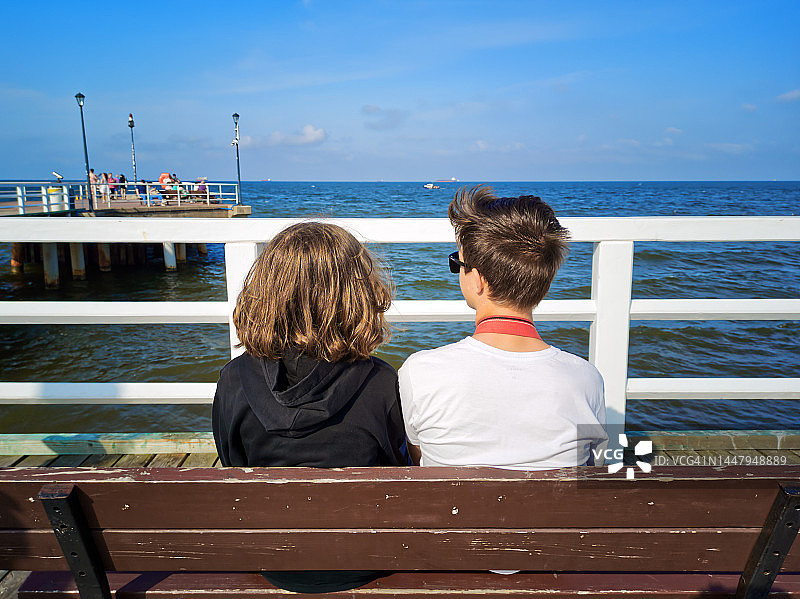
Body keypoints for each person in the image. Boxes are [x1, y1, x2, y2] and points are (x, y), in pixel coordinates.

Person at [213, 221, 409, 593]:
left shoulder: (234, 379)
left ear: (266, 292)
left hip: (272, 561)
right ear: (359, 293)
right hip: (364, 561)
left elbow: (232, 463)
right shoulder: (382, 382)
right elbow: (396, 473)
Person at [398, 185, 607, 470]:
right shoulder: (586, 379)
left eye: (458, 263)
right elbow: (596, 464)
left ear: (479, 280)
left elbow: (418, 457)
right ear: (545, 280)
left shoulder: (420, 371)